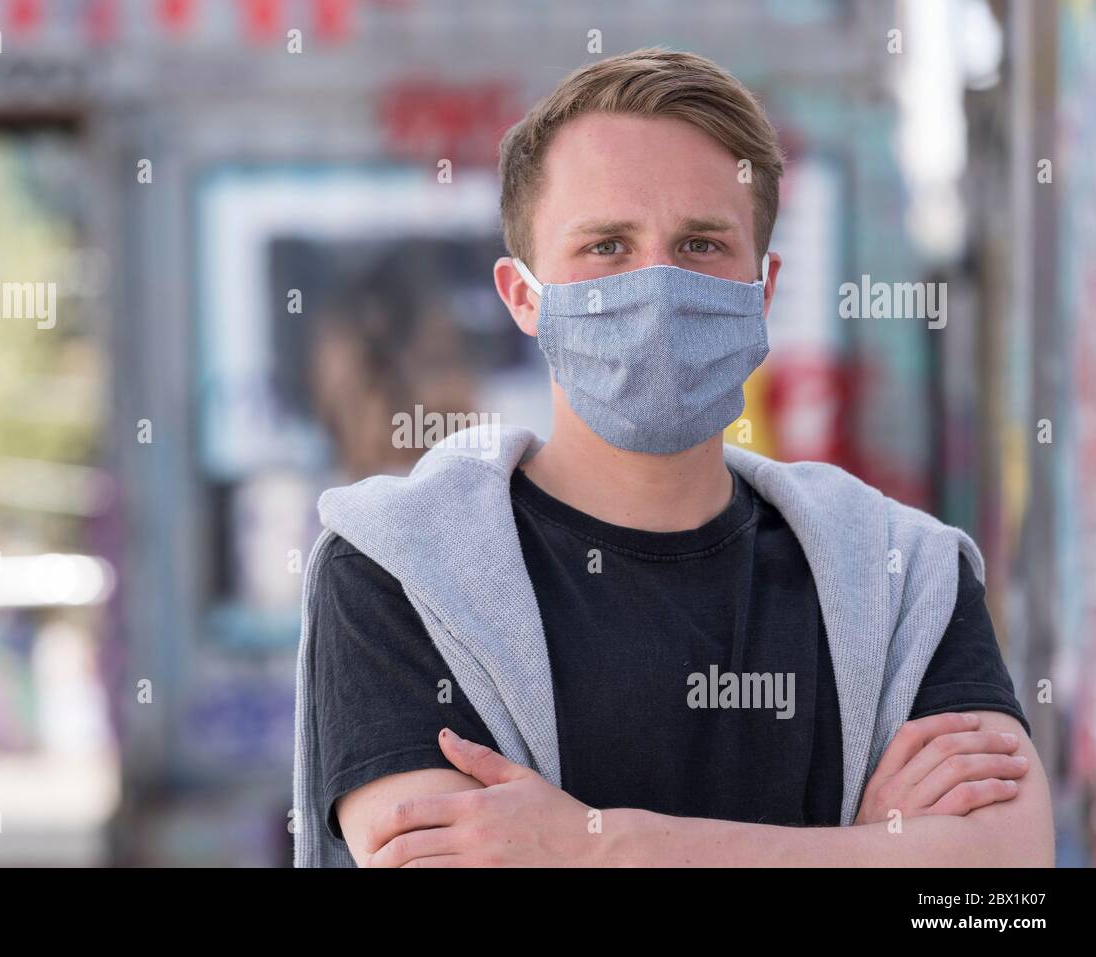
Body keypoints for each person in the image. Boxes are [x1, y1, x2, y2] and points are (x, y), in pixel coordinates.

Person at [292, 48, 1053, 867]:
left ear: (760, 294)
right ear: (522, 297)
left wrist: (590, 844)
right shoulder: (399, 571)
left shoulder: (904, 574)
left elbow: (998, 890)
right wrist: (863, 849)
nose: (655, 285)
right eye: (607, 246)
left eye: (699, 245)